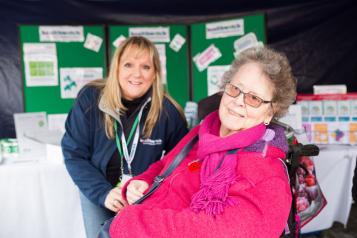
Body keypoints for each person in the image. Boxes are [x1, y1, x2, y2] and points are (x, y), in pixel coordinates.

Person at [109, 46, 297, 238]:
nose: (239, 101)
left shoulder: (267, 173)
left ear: (270, 112)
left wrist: (131, 222)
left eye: (254, 98)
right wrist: (143, 181)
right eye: (235, 88)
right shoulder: (202, 132)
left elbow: (220, 232)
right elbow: (165, 166)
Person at [61, 36, 188, 238]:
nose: (136, 74)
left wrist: (150, 185)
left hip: (141, 194)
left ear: (155, 73)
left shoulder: (168, 111)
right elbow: (74, 154)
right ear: (116, 68)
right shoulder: (91, 98)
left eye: (146, 67)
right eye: (128, 64)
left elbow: (182, 161)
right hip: (98, 189)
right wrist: (103, 193)